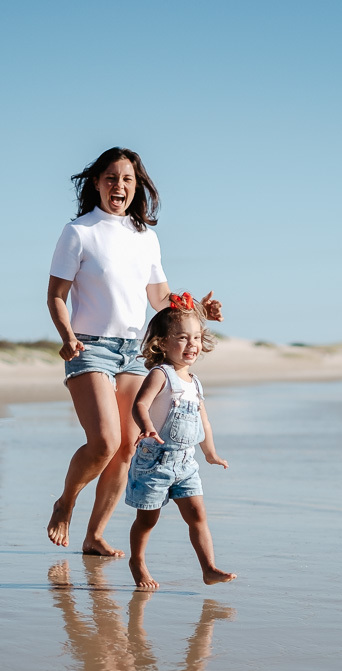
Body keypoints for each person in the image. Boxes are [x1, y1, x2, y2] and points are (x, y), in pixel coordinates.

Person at [46, 147, 221, 558]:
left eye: (126, 179)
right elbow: (56, 295)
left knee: (128, 448)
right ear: (96, 183)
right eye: (110, 178)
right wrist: (67, 335)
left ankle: (94, 536)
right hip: (88, 346)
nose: (118, 186)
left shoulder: (146, 238)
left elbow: (160, 299)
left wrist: (198, 311)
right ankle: (66, 502)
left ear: (136, 185)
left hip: (132, 352)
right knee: (105, 443)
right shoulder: (79, 232)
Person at [125, 295, 236, 590]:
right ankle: (137, 561)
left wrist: (210, 454)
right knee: (148, 520)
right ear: (161, 343)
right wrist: (147, 427)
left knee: (197, 515)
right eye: (182, 338)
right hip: (155, 462)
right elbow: (140, 405)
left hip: (187, 463)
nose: (192, 345)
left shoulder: (194, 382)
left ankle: (208, 568)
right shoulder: (161, 374)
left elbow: (204, 422)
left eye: (197, 337)